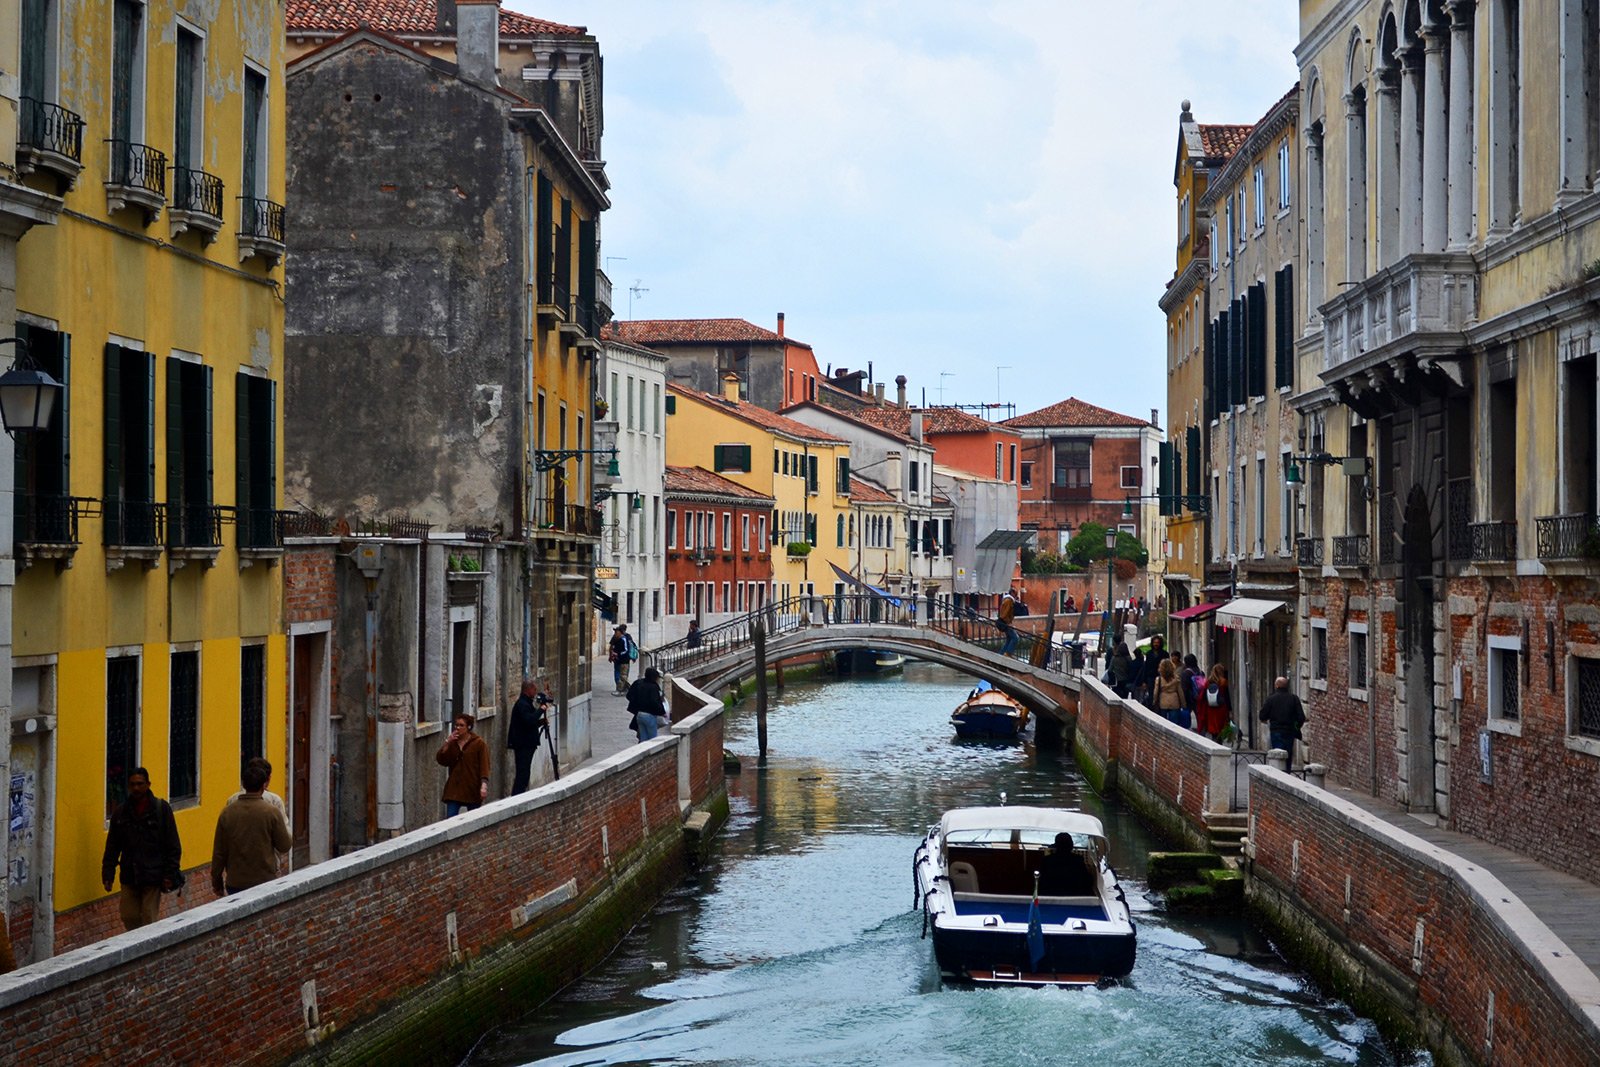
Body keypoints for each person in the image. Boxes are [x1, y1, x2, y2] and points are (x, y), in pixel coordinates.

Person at [101, 767, 182, 930]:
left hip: (153, 876)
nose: (136, 788)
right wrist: (108, 873)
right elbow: (112, 846)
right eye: (132, 784)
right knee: (128, 916)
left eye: (140, 784)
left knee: (148, 918)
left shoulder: (161, 809)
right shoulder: (121, 813)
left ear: (148, 785)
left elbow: (173, 845)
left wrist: (170, 874)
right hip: (129, 875)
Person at [211, 760, 292, 897]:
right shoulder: (271, 811)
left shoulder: (228, 812)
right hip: (265, 879)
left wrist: (217, 880)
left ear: (243, 784)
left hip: (236, 881)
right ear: (263, 786)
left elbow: (219, 851)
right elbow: (284, 845)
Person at [437, 713, 490, 816]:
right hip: (454, 788)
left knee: (473, 819)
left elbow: (485, 765)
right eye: (456, 725)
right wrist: (447, 742)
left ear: (468, 727)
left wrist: (483, 786)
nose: (458, 728)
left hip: (472, 787)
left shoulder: (479, 743)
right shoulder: (452, 743)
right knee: (451, 819)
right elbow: (442, 760)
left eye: (461, 725)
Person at [1259, 676, 1308, 772]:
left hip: (1276, 731)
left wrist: (1267, 719)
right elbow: (1301, 717)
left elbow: (1262, 716)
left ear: (1276, 686)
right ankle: (1287, 774)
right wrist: (1296, 727)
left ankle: (1278, 776)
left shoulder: (1271, 699)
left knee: (1277, 756)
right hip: (1290, 732)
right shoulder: (1294, 699)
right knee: (1288, 756)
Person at [507, 678, 546, 794]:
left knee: (525, 771)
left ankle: (520, 793)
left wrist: (541, 722)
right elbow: (529, 720)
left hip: (526, 743)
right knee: (522, 772)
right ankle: (517, 795)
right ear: (528, 690)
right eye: (534, 689)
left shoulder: (526, 703)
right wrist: (541, 710)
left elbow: (530, 723)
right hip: (523, 744)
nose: (535, 692)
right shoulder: (522, 704)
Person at [627, 666, 667, 742]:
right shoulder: (653, 687)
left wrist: (637, 704)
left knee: (643, 740)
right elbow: (655, 702)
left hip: (639, 714)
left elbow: (629, 695)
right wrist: (662, 712)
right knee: (653, 740)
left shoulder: (638, 683)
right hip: (650, 715)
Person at [1199, 663, 1233, 741]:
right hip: (1221, 708)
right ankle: (1219, 741)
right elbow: (1227, 697)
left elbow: (1203, 696)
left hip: (1210, 708)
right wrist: (1230, 709)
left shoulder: (1208, 682)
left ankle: (1214, 739)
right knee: (1221, 726)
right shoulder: (1223, 682)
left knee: (1213, 726)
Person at [1154, 657, 1188, 728]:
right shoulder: (1176, 678)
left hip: (1163, 702)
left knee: (1163, 723)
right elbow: (1180, 692)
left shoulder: (1159, 679)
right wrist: (1183, 704)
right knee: (1174, 725)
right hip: (1174, 702)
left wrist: (1154, 701)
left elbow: (1156, 693)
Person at [609, 625, 631, 693]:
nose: (615, 633)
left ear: (620, 632)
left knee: (623, 675)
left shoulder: (624, 639)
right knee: (619, 674)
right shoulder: (615, 638)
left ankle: (621, 690)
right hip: (617, 660)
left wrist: (617, 654)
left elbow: (626, 650)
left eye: (616, 632)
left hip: (624, 660)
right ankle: (620, 688)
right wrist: (611, 655)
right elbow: (612, 647)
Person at [997, 589, 1019, 656]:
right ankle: (1008, 654)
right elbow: (1004, 614)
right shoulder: (1009, 601)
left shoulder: (1007, 600)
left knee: (1009, 638)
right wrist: (1008, 623)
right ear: (1012, 593)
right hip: (1005, 623)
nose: (1016, 595)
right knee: (1015, 638)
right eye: (1015, 593)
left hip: (1004, 622)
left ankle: (1001, 654)